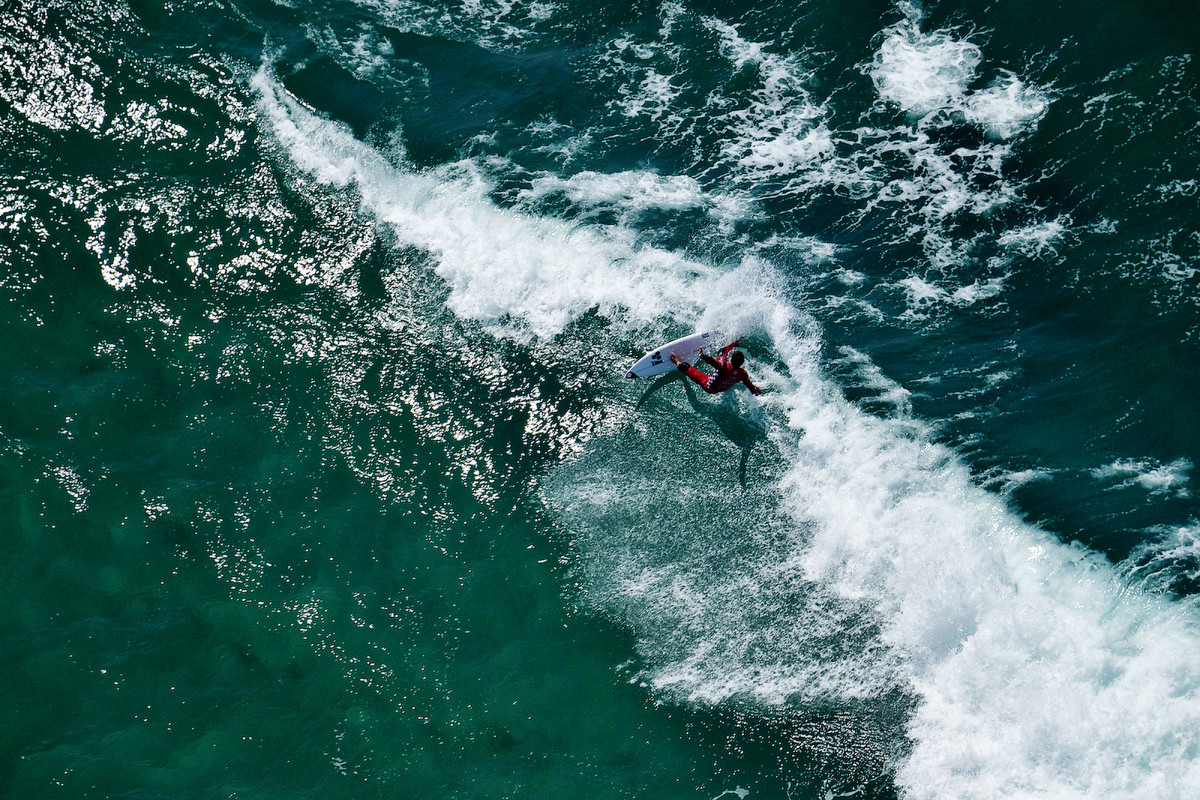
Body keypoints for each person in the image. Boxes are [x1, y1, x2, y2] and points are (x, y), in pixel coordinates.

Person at [670, 342, 763, 396]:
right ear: (742, 363)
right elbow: (751, 387)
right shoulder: (743, 374)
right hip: (721, 389)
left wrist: (702, 356)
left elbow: (713, 362)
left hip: (708, 385)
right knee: (721, 354)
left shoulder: (723, 365)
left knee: (685, 365)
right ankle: (735, 343)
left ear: (731, 359)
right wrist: (760, 395)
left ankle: (676, 361)